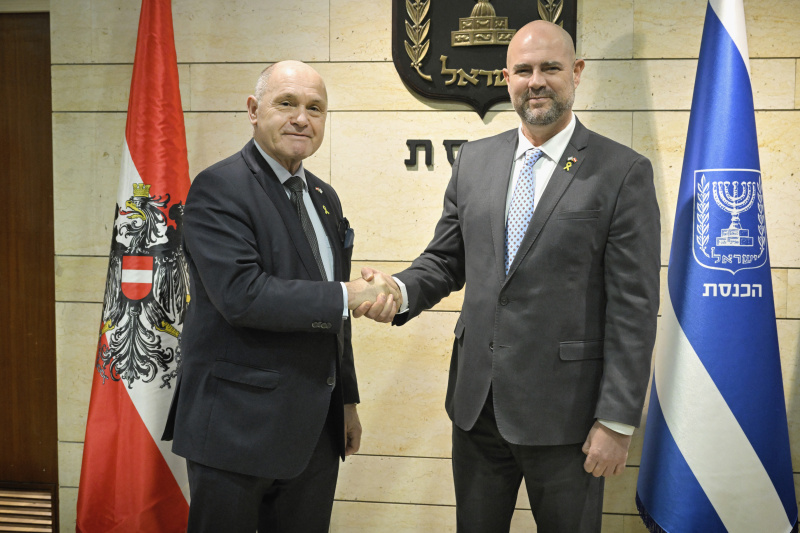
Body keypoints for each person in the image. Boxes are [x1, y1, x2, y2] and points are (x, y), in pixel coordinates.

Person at [359, 20, 660, 532]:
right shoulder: (476, 160)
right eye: (523, 70)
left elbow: (633, 306)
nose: (535, 81)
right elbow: (446, 260)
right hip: (478, 410)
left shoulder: (622, 171)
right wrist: (400, 288)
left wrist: (616, 420)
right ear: (507, 78)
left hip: (570, 418)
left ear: (577, 72)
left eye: (550, 68)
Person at [162, 60, 400, 533]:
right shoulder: (218, 187)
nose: (301, 118)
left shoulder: (324, 197)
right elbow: (242, 296)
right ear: (254, 110)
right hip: (236, 428)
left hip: (314, 431)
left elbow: (335, 313)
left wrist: (346, 402)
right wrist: (348, 294)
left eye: (315, 108)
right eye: (286, 103)